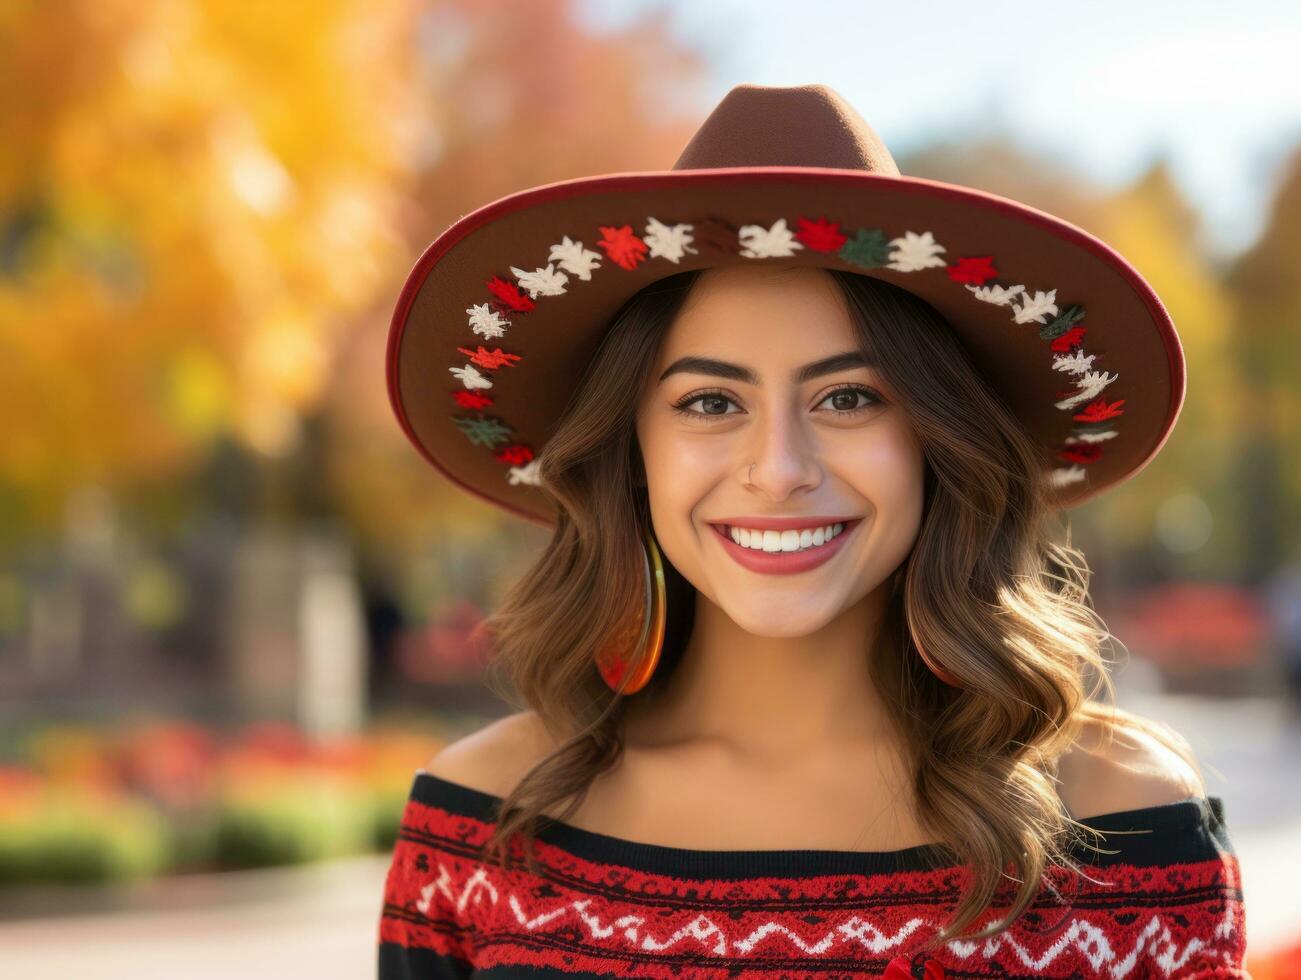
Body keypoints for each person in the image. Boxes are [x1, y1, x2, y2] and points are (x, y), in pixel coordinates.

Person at [377, 84, 1248, 978]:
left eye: (849, 398)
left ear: (936, 443)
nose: (780, 468)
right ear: (630, 452)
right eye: (709, 402)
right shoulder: (478, 823)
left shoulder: (1120, 818)